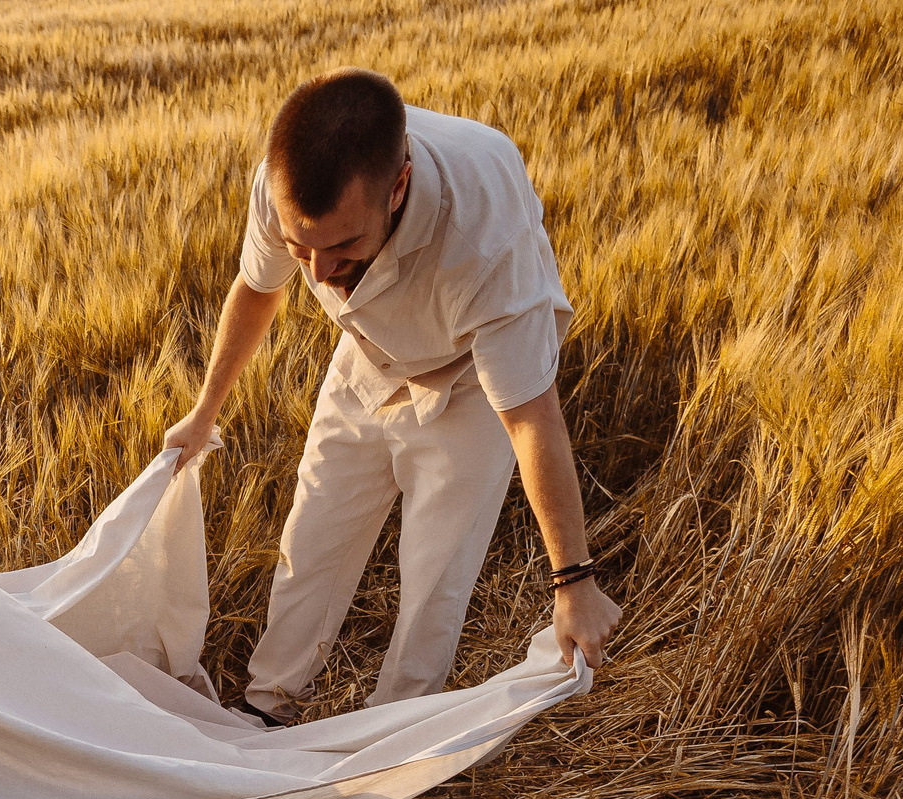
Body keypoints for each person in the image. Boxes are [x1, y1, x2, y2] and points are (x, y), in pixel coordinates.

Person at [161, 69, 624, 723]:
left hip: (471, 380)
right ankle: (268, 709)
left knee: (434, 581)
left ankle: (387, 741)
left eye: (344, 244)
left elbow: (530, 416)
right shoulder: (283, 186)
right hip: (370, 355)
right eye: (303, 248)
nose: (320, 273)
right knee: (312, 537)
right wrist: (203, 411)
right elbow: (259, 289)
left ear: (399, 186)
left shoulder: (486, 241)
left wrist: (574, 582)